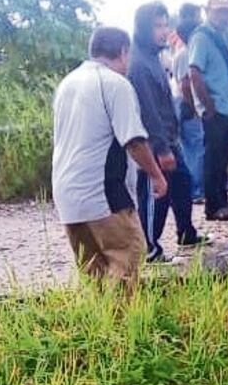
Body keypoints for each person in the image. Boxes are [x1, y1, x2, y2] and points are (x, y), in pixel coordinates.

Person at [51, 27, 167, 287]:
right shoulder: (116, 84)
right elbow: (134, 140)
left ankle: (101, 326)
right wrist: (157, 176)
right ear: (124, 52)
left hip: (67, 195)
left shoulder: (68, 83)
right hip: (102, 194)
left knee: (96, 277)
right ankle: (126, 327)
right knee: (128, 259)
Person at [128, 2, 204, 261]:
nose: (163, 31)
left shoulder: (153, 57)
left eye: (165, 24)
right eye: (157, 26)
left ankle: (186, 232)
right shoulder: (138, 64)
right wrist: (160, 149)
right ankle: (148, 247)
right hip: (153, 143)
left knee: (182, 182)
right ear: (144, 28)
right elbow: (148, 111)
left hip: (169, 137)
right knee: (155, 193)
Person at [188, 0, 228, 221]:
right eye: (219, 11)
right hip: (215, 107)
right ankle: (214, 206)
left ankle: (222, 199)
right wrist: (208, 105)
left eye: (227, 11)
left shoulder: (221, 35)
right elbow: (194, 72)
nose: (224, 15)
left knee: (223, 155)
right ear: (207, 11)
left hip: (227, 103)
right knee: (213, 157)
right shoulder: (202, 37)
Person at [172, 3, 205, 203]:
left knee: (189, 147)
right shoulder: (186, 53)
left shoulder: (181, 52)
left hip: (181, 103)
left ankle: (195, 188)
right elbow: (185, 84)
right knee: (196, 146)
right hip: (187, 104)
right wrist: (194, 107)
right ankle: (197, 189)